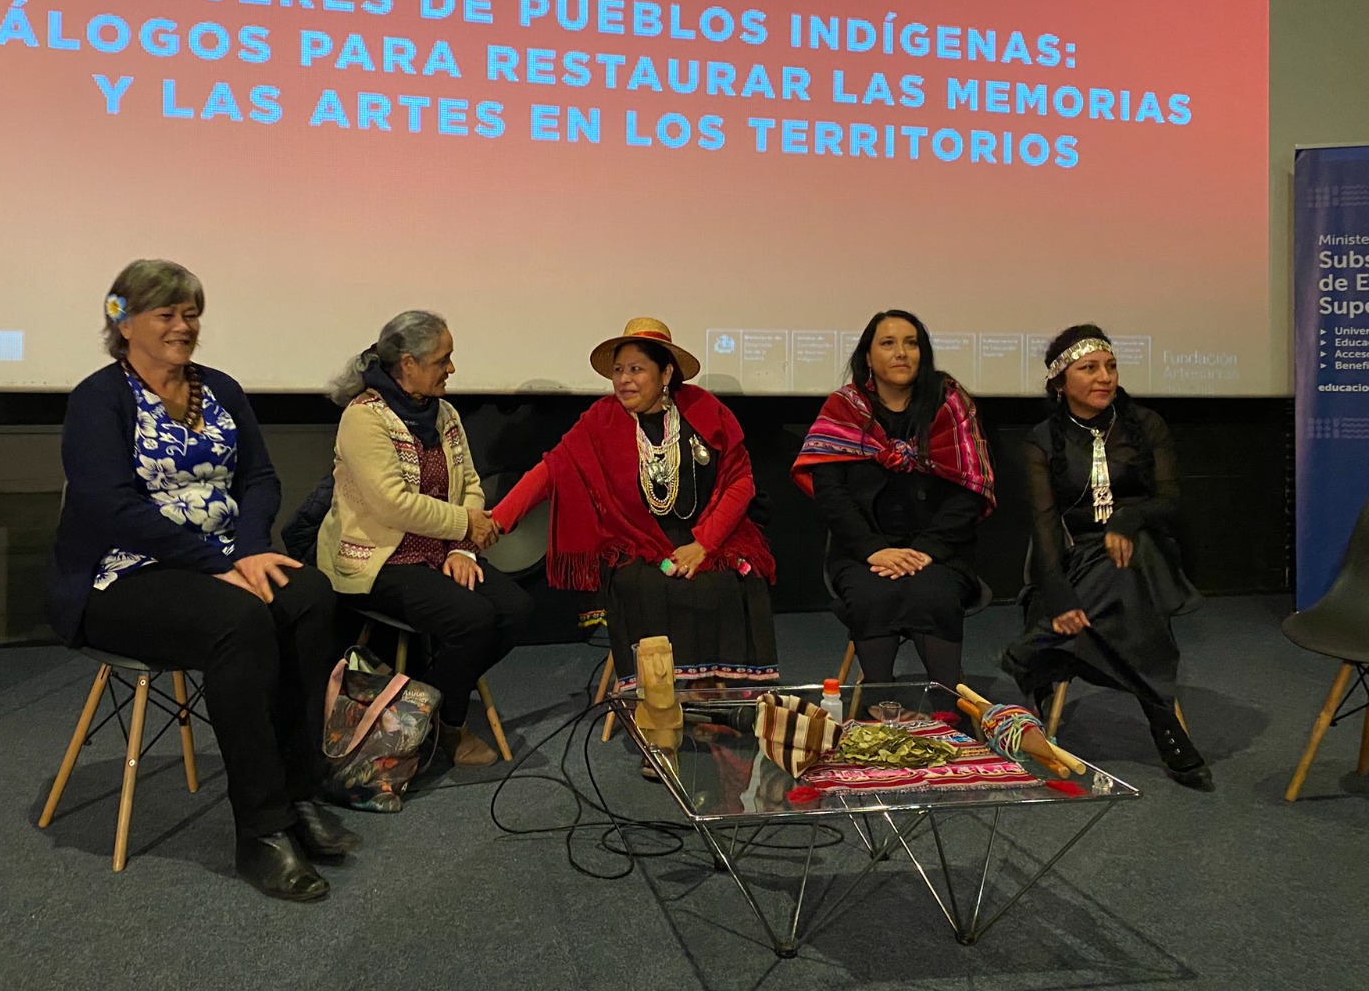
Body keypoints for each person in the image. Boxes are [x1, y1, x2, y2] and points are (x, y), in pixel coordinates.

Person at [46, 259, 357, 903]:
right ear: (123, 322)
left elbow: (259, 478)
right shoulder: (98, 400)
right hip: (122, 574)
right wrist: (218, 565)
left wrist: (249, 551)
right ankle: (262, 831)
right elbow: (110, 507)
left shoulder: (220, 389)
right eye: (166, 314)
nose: (183, 327)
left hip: (224, 560)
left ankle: (298, 791)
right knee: (237, 621)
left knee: (309, 596)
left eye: (191, 314)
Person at [489, 317, 779, 695]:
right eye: (618, 370)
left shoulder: (704, 409)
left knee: (727, 582)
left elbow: (741, 482)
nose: (624, 379)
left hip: (708, 536)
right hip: (638, 541)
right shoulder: (601, 420)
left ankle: (720, 697)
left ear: (666, 373)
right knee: (647, 585)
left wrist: (703, 544)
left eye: (636, 369)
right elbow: (551, 471)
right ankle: (660, 702)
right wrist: (496, 521)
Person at [316, 310, 533, 768]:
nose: (451, 368)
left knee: (517, 609)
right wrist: (464, 527)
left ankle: (420, 702)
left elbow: (470, 483)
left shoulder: (444, 413)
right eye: (442, 360)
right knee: (473, 619)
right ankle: (452, 724)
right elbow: (392, 505)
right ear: (408, 364)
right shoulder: (363, 418)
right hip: (381, 558)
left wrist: (461, 548)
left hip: (439, 550)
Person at [1001, 324, 1212, 791]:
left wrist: (1126, 520)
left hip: (1143, 550)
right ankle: (1163, 720)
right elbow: (1044, 524)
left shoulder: (1146, 424)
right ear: (1060, 382)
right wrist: (1058, 595)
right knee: (1123, 585)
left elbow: (1170, 500)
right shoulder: (1041, 440)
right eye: (1090, 368)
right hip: (1077, 557)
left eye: (1111, 366)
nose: (1105, 377)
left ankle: (1038, 646)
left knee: (1130, 564)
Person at [792, 310, 995, 691]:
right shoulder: (843, 409)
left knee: (932, 592)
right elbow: (831, 495)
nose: (901, 352)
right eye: (888, 343)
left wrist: (926, 550)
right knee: (873, 594)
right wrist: (873, 550)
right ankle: (878, 704)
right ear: (868, 357)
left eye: (911, 343)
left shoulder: (951, 405)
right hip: (862, 552)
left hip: (940, 551)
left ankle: (947, 706)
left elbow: (970, 492)